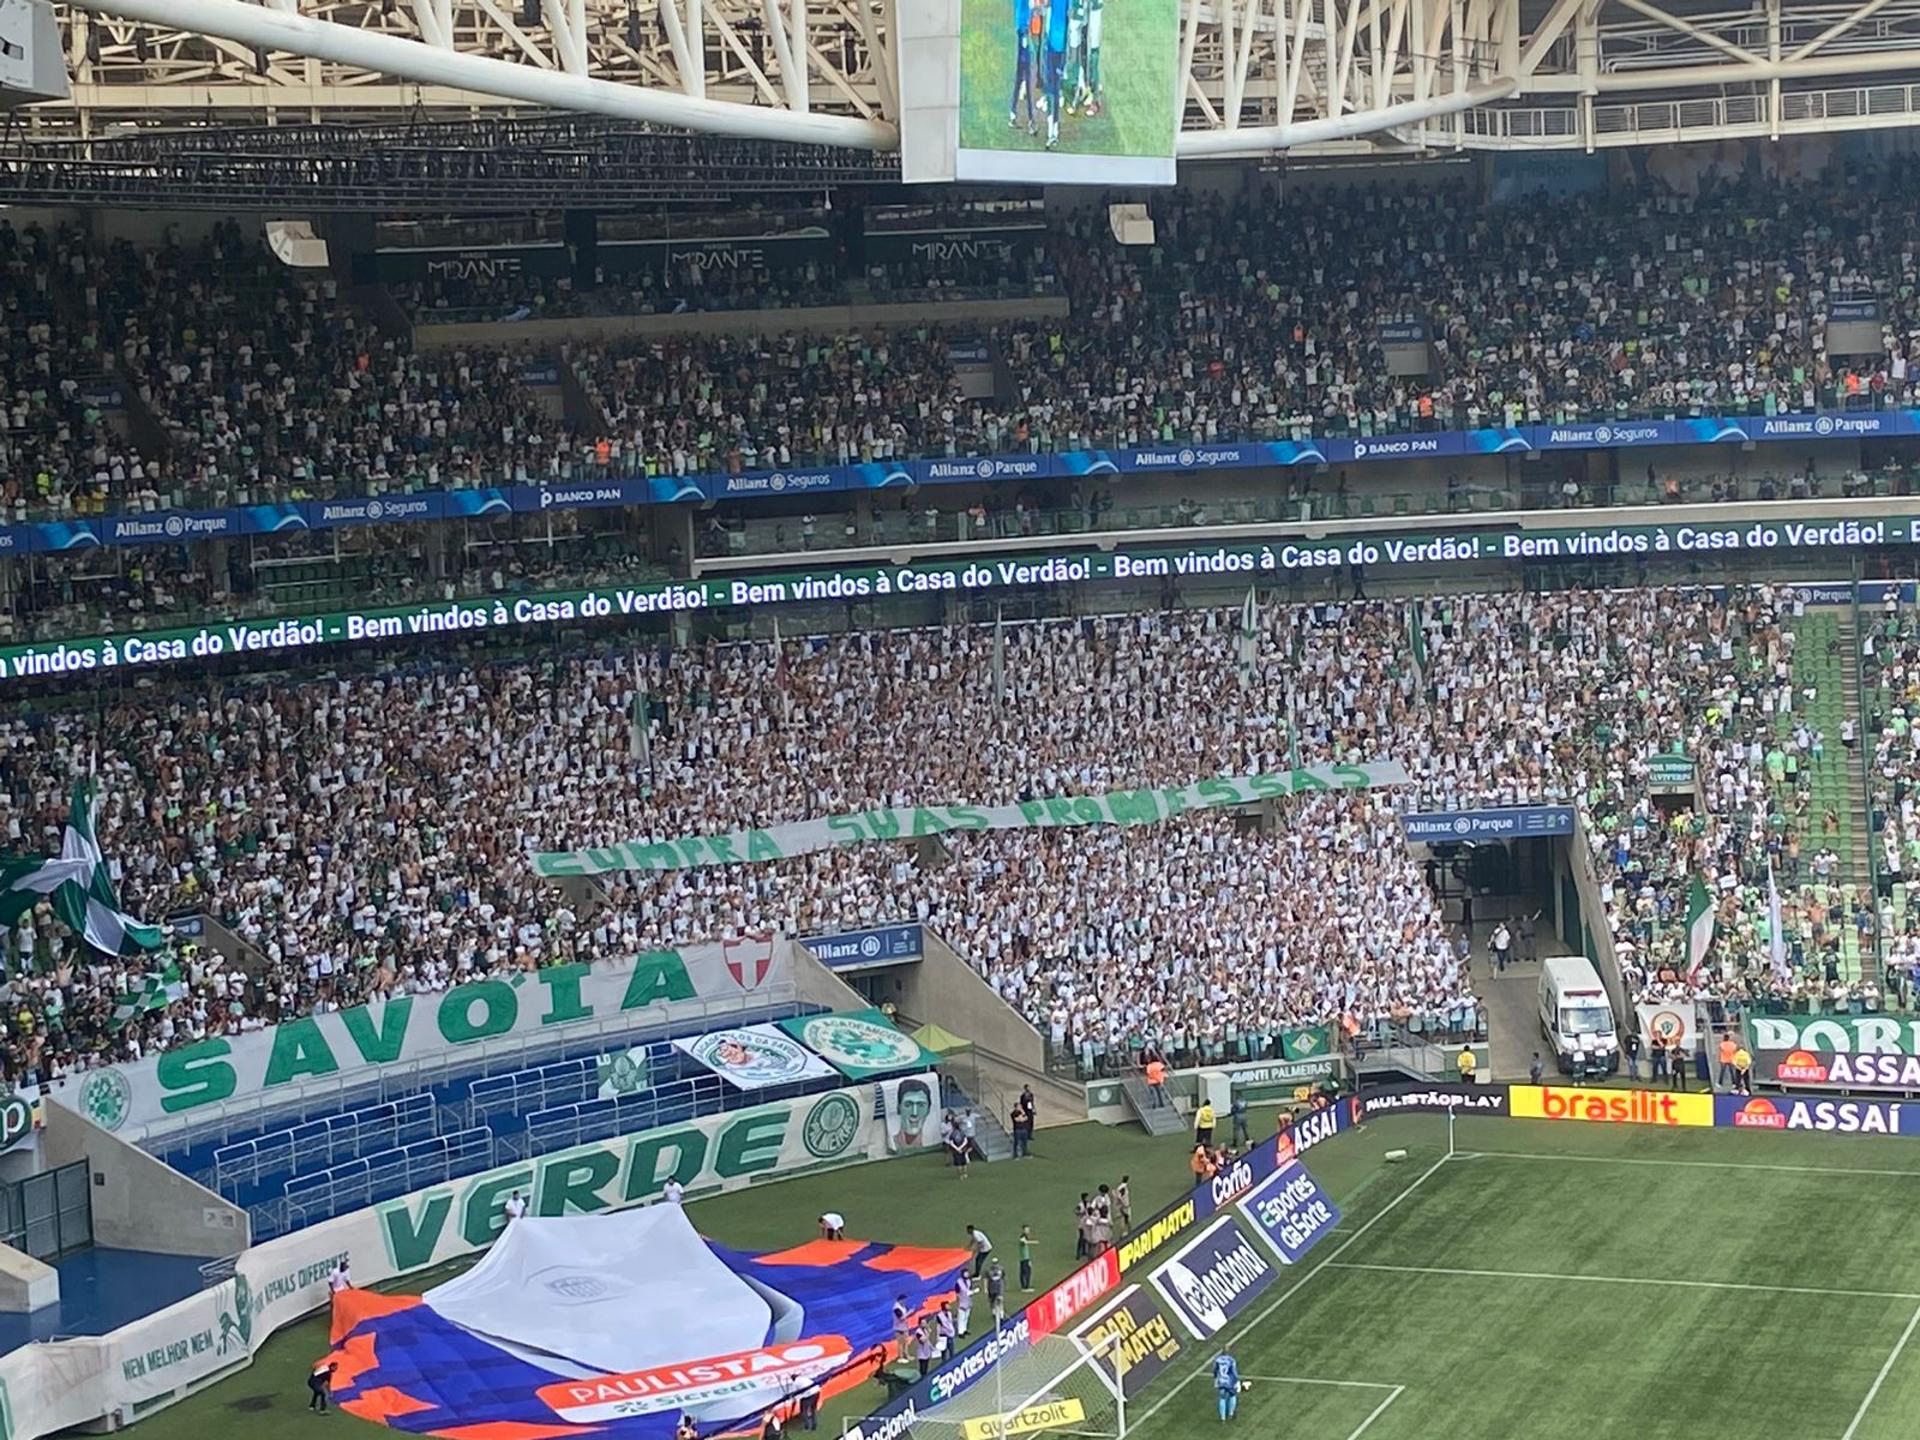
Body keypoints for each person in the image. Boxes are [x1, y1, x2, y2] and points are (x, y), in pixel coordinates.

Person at [1212, 1349, 1241, 1422]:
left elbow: (1215, 1370)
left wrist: (1215, 1379)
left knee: (1222, 1398)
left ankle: (1223, 1418)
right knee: (1232, 1395)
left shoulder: (1217, 1360)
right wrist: (1236, 1381)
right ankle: (1231, 1414)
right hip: (1230, 1381)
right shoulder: (1231, 1360)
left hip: (1221, 1381)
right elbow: (1234, 1372)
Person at [986, 1259, 1006, 1324]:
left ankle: (1001, 1315)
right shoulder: (988, 1270)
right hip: (991, 1288)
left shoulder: (1001, 1269)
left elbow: (1003, 1278)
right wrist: (986, 1289)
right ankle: (994, 1313)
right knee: (992, 1302)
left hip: (998, 1287)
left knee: (1000, 1301)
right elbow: (986, 1280)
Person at [1018, 1225, 1035, 1291]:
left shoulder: (1025, 1237)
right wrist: (1034, 1242)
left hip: (1024, 1258)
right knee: (1026, 1272)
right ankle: (1026, 1287)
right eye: (1026, 1229)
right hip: (1024, 1258)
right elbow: (1023, 1241)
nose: (1028, 1231)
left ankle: (1024, 1287)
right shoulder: (1022, 1236)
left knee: (1023, 1272)